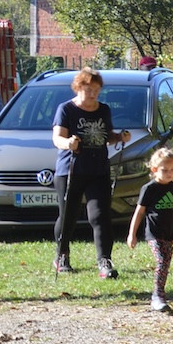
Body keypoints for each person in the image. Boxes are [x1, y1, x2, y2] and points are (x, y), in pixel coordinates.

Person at [51, 67, 130, 278]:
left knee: (100, 215)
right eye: (88, 89)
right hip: (71, 170)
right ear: (78, 88)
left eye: (96, 89)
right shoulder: (66, 109)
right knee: (69, 214)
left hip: (98, 170)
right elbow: (57, 138)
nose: (93, 93)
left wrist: (120, 137)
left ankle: (104, 261)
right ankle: (62, 255)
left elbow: (105, 137)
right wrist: (68, 143)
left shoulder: (103, 110)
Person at [127, 149, 173, 312]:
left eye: (172, 170)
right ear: (154, 170)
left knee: (166, 264)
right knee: (162, 261)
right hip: (154, 233)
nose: (169, 173)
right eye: (165, 170)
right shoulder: (149, 189)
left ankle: (160, 292)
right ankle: (157, 296)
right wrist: (132, 234)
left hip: (169, 233)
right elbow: (139, 212)